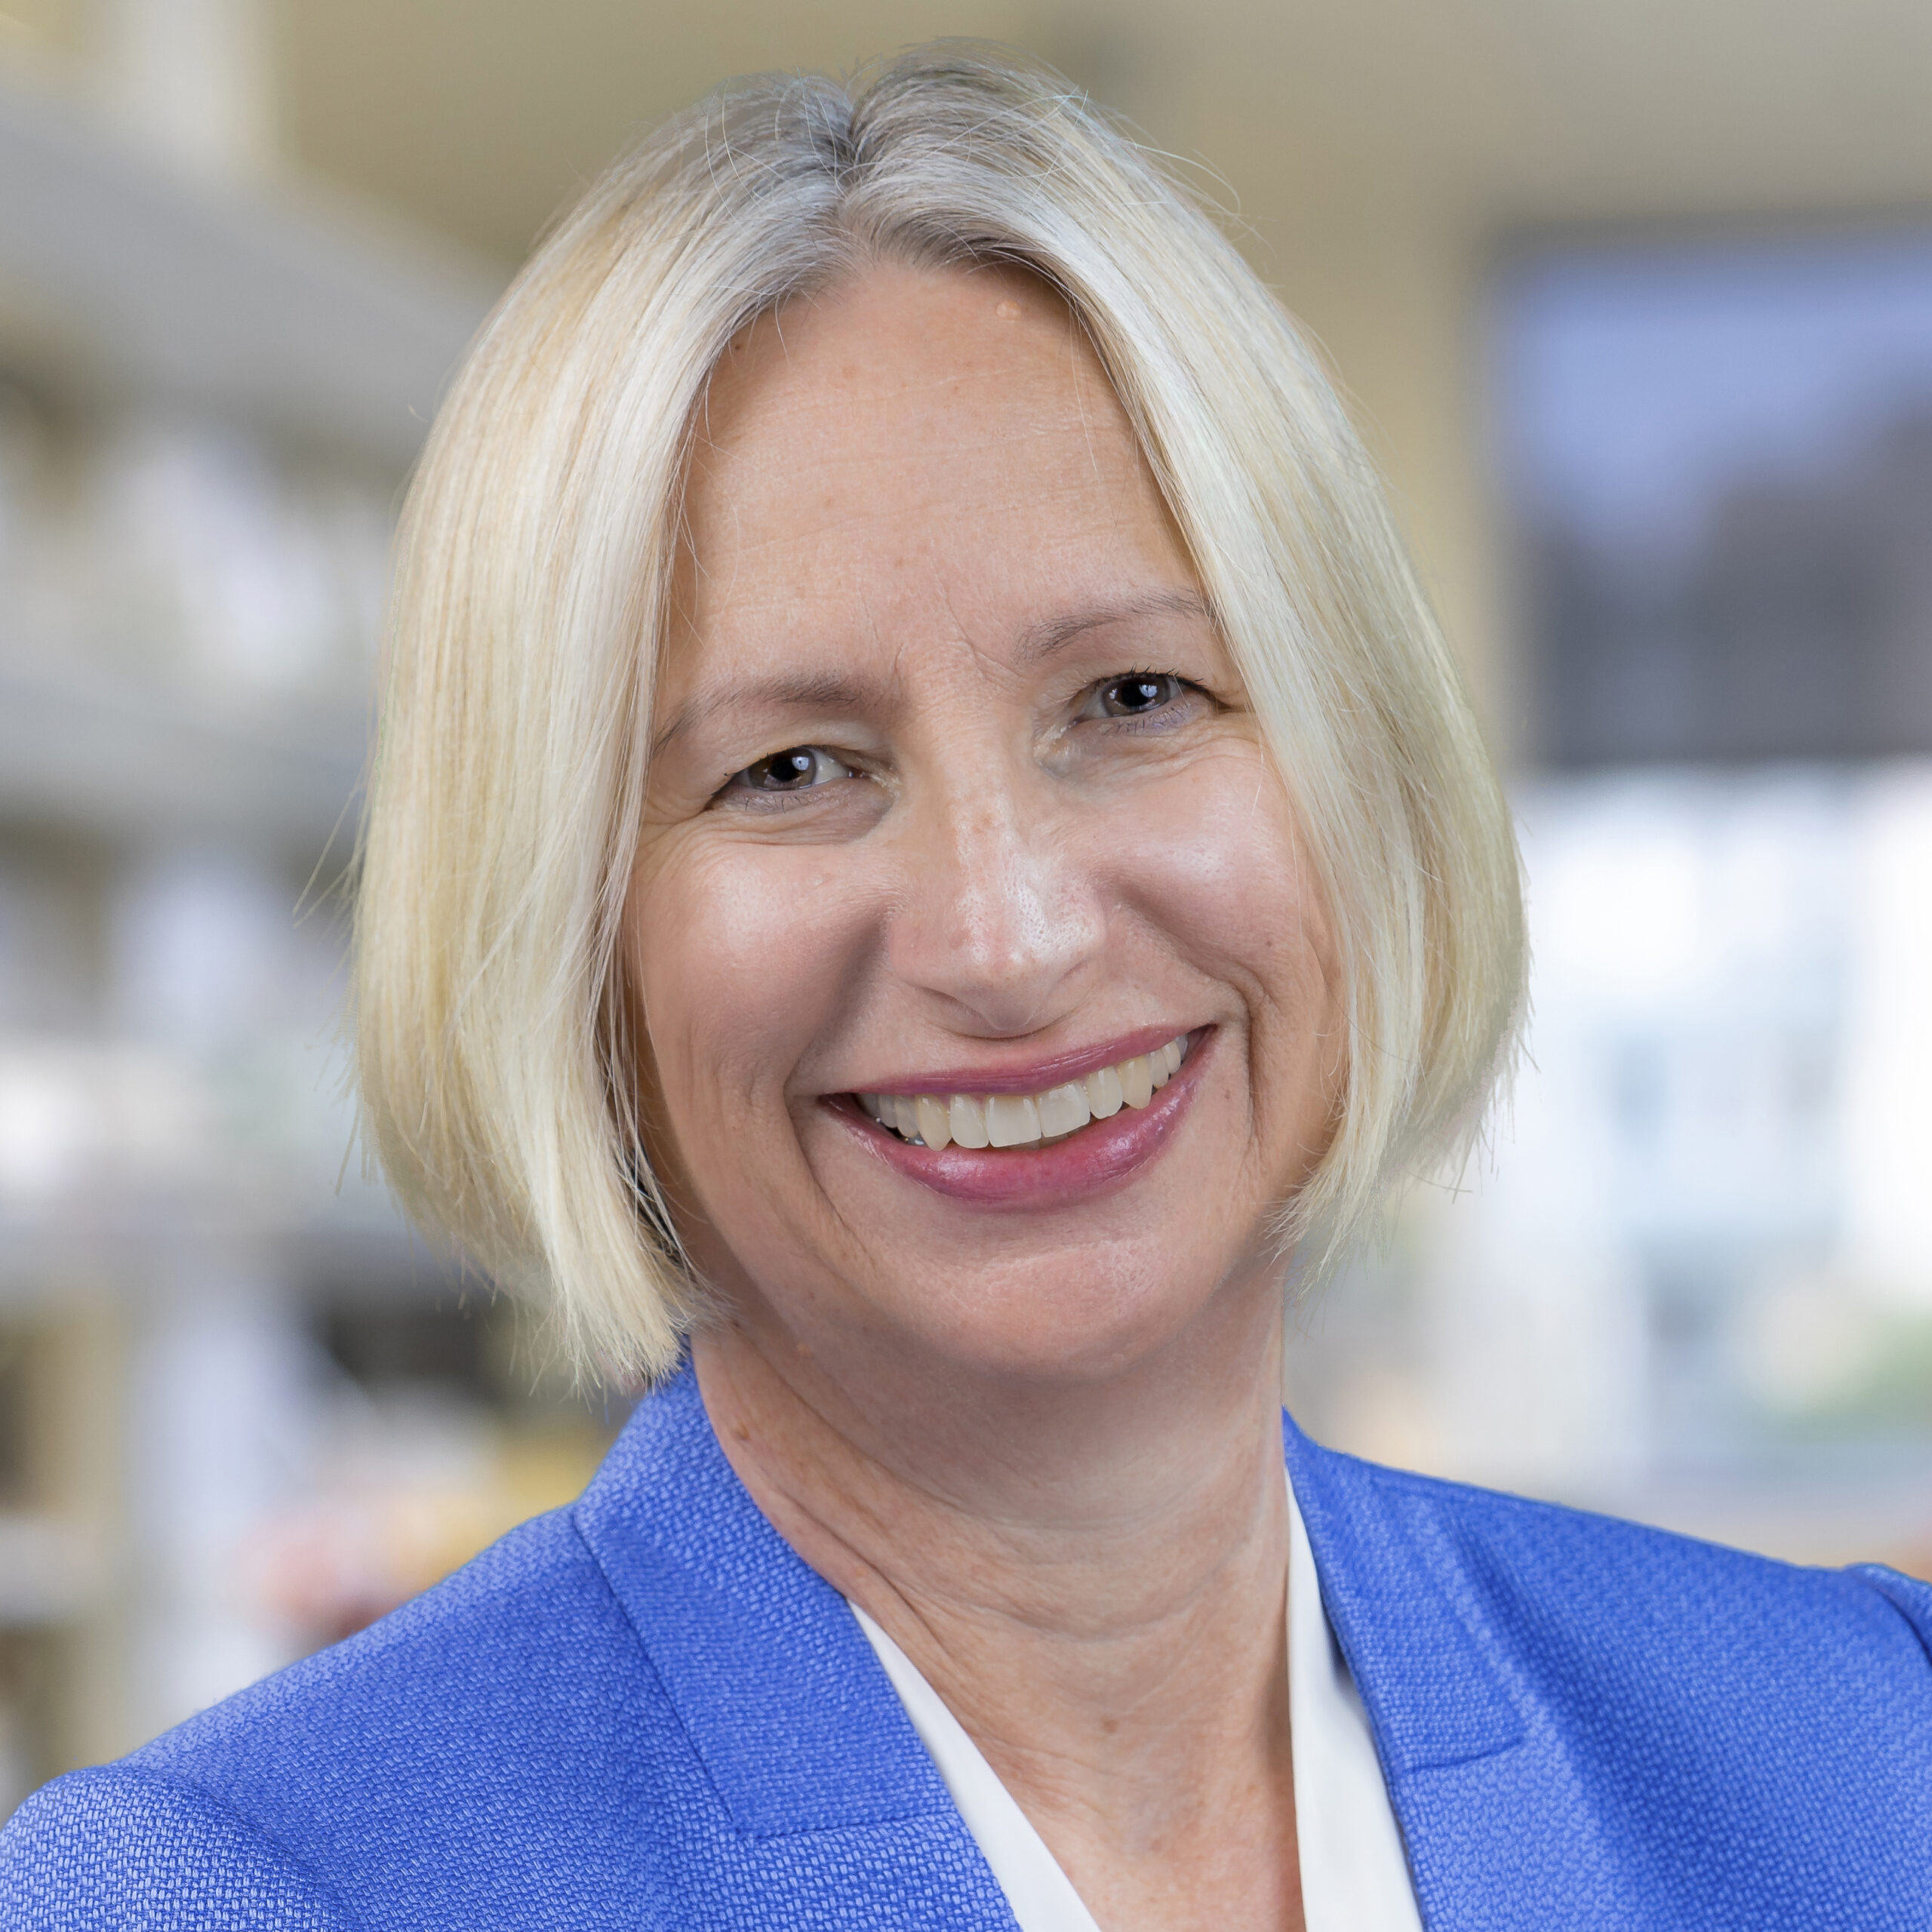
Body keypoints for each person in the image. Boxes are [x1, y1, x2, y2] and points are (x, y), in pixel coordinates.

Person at [4, 43, 1928, 1932]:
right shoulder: (228, 1893)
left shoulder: (1866, 1746)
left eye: (1135, 696)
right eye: (789, 768)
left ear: (1361, 778)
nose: (1007, 935)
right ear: (559, 933)